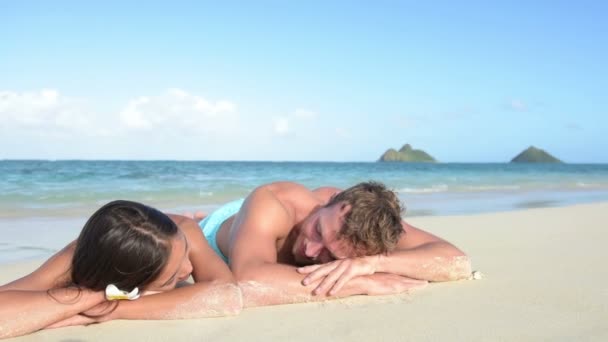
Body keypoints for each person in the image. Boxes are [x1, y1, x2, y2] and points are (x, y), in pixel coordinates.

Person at [199, 181, 472, 306]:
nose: (310, 250)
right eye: (318, 230)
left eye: (331, 256)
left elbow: (456, 261)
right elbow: (247, 278)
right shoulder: (275, 200)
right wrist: (360, 282)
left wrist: (373, 263)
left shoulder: (370, 229)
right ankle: (200, 215)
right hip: (216, 232)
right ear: (331, 201)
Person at [0, 200, 241, 339]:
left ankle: (203, 218)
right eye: (171, 276)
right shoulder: (77, 256)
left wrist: (112, 310)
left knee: (203, 227)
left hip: (221, 225)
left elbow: (227, 294)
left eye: (185, 255)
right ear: (128, 283)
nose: (189, 269)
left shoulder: (182, 233)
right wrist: (97, 296)